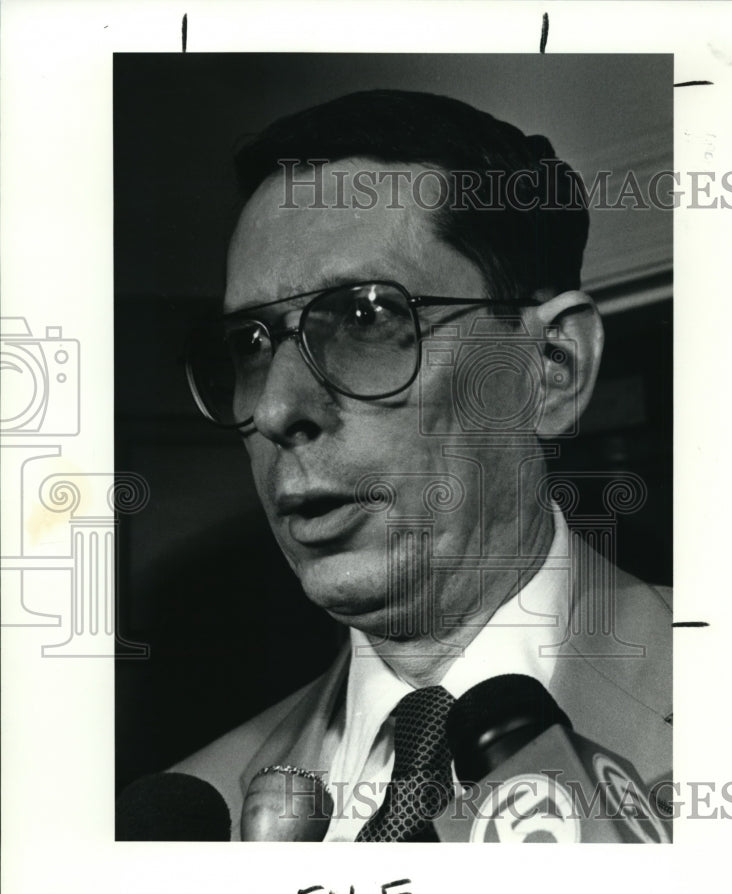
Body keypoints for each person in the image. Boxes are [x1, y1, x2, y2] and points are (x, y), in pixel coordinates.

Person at [175, 89, 672, 841]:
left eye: (366, 317)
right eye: (250, 344)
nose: (276, 408)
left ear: (551, 368)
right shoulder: (190, 815)